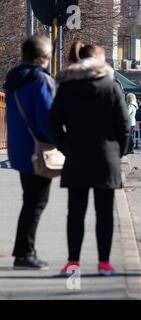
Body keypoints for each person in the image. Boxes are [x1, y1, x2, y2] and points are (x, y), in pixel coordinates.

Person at [48, 44, 130, 276]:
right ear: (99, 61)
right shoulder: (111, 87)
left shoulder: (67, 87)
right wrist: (118, 152)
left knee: (75, 212)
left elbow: (53, 121)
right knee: (104, 213)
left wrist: (65, 146)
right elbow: (124, 125)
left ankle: (73, 261)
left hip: (76, 156)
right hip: (106, 157)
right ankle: (104, 263)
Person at [3, 35, 55, 270]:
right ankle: (25, 253)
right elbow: (47, 119)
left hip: (20, 148)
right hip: (38, 150)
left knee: (30, 200)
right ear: (43, 57)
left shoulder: (15, 79)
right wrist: (60, 142)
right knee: (36, 202)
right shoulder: (39, 80)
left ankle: (24, 250)